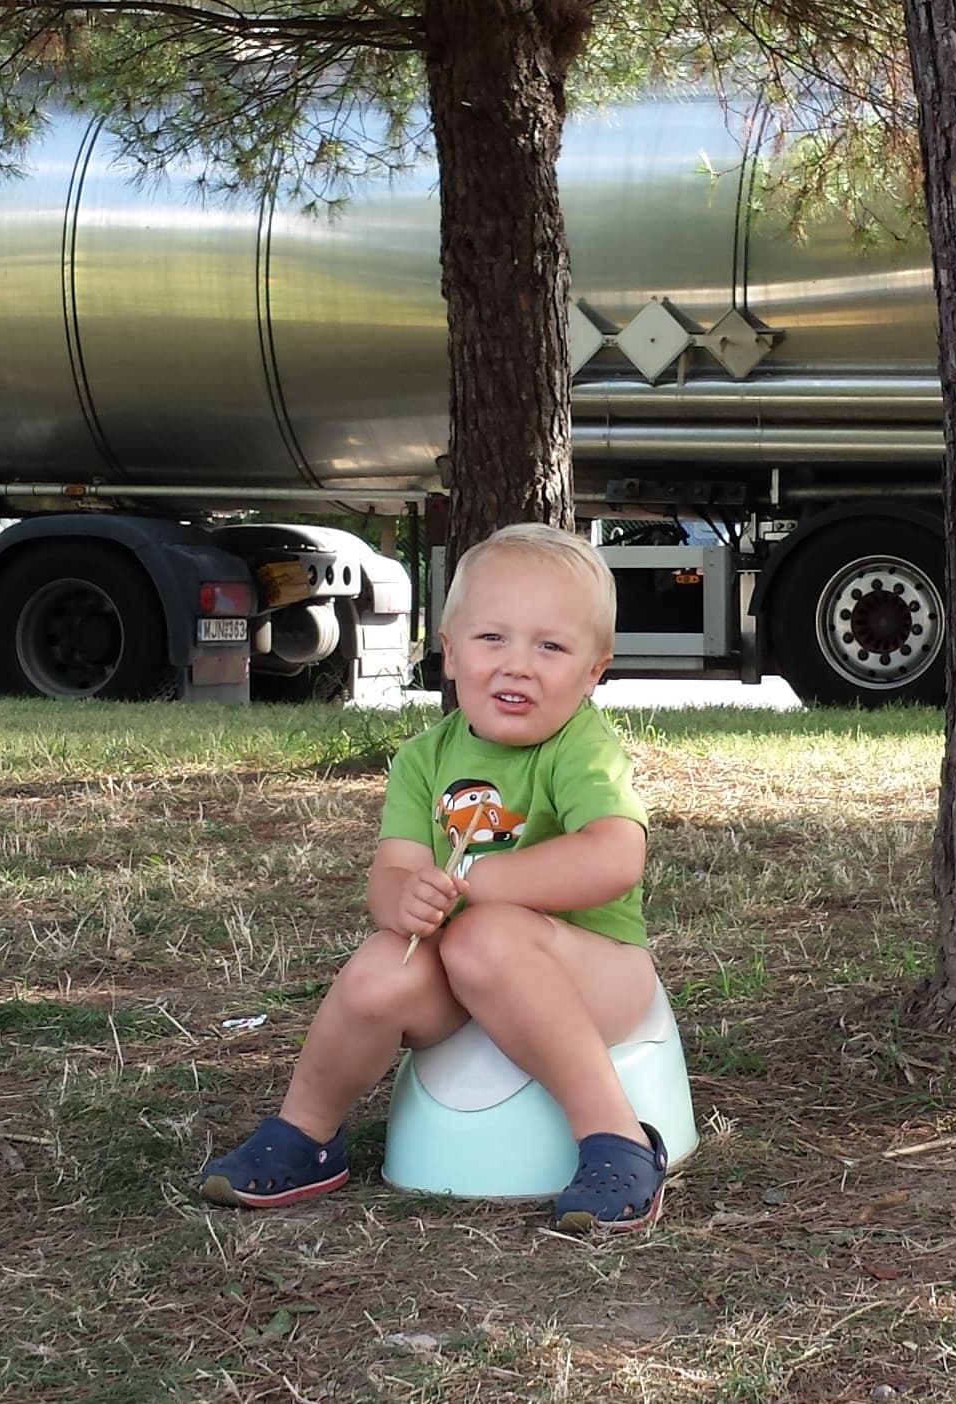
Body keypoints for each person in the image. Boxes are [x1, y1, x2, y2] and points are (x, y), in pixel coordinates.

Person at [196, 522, 670, 1229]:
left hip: (597, 974)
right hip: (467, 974)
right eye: (491, 639)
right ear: (450, 654)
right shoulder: (425, 759)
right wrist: (405, 901)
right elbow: (391, 874)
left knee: (485, 937)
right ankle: (308, 1133)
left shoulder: (582, 750)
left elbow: (612, 856)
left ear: (593, 671)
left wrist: (480, 885)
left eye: (550, 646)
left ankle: (619, 1137)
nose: (517, 665)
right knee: (381, 965)